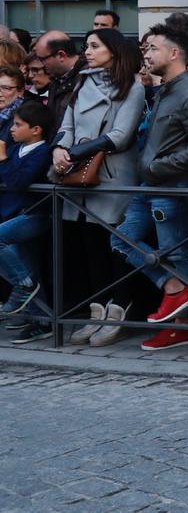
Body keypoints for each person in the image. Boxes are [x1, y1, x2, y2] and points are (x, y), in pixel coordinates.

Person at [108, 25, 188, 353]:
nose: (146, 54)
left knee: (176, 252)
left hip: (173, 187)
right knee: (121, 239)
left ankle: (183, 329)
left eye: (152, 48)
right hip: (149, 185)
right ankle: (173, 289)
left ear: (174, 53)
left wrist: (158, 167)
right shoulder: (166, 88)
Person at [50, 29, 146, 348]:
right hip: (78, 174)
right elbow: (67, 126)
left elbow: (121, 135)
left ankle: (119, 310)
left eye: (95, 46)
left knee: (114, 246)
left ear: (114, 51)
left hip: (111, 175)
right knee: (89, 244)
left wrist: (75, 152)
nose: (87, 51)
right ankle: (98, 310)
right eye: (87, 46)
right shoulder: (82, 81)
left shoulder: (131, 86)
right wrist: (59, 151)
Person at [0, 102, 56, 339]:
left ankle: (23, 284)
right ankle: (41, 320)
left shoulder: (42, 152)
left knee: (25, 273)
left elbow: (17, 181)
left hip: (35, 214)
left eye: (18, 125)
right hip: (13, 214)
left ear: (36, 130)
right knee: (26, 263)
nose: (12, 129)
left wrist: (2, 159)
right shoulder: (16, 150)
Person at [33, 30, 80, 126]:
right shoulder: (56, 78)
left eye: (43, 59)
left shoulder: (86, 79)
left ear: (61, 55)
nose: (41, 64)